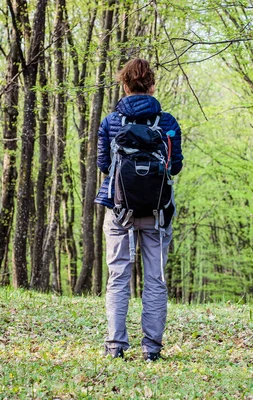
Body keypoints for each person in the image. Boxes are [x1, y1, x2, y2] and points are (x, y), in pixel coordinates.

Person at [95, 58, 183, 361]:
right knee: (155, 279)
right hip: (158, 211)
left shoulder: (111, 121)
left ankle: (115, 346)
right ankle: (151, 349)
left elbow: (104, 164)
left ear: (124, 85)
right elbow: (175, 165)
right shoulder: (167, 122)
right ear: (153, 85)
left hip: (118, 208)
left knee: (118, 276)